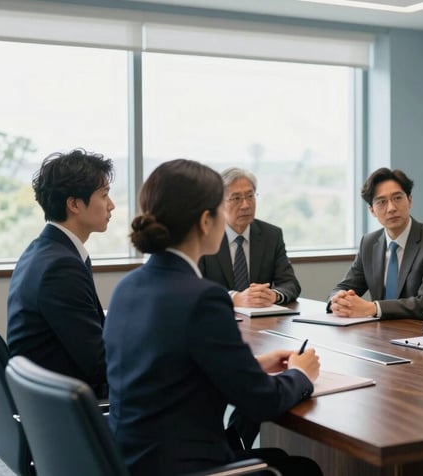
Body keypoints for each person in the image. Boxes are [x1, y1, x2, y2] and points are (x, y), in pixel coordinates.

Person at [104, 159, 322, 476]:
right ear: (206, 221)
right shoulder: (204, 298)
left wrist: (253, 367)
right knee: (303, 469)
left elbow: (171, 371)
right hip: (187, 467)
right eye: (224, 206)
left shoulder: (127, 287)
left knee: (276, 454)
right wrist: (301, 375)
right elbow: (261, 403)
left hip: (134, 460)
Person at [7, 148, 114, 398]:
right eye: (104, 195)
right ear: (74, 204)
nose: (111, 205)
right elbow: (100, 364)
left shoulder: (45, 250)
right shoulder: (61, 267)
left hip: (49, 403)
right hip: (69, 408)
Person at [328, 167, 423, 319]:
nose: (391, 208)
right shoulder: (369, 243)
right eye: (381, 202)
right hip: (378, 333)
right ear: (372, 210)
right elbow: (343, 287)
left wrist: (373, 308)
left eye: (397, 198)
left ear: (410, 200)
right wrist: (337, 300)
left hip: (417, 333)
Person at [199, 167, 300, 307]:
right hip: (218, 315)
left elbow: (290, 284)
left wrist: (273, 295)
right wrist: (234, 297)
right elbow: (196, 286)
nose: (245, 205)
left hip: (261, 321)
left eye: (250, 196)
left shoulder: (271, 235)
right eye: (236, 198)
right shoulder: (204, 236)